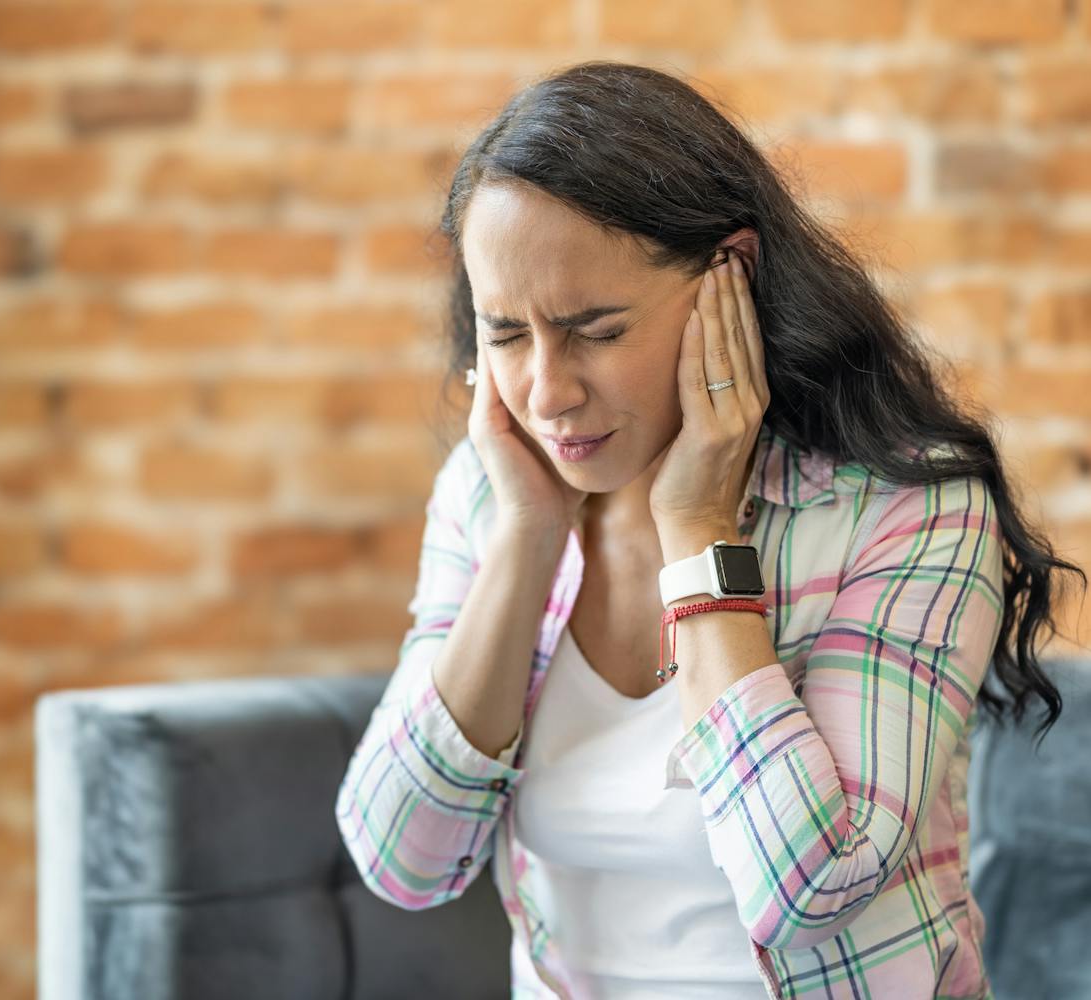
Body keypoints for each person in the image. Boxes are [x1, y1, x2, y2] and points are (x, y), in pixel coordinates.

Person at [334, 61, 1081, 999]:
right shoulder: (489, 496)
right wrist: (526, 539)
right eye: (507, 335)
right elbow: (401, 860)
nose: (548, 394)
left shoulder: (907, 509)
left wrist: (698, 532)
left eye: (597, 330)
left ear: (732, 276)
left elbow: (810, 887)